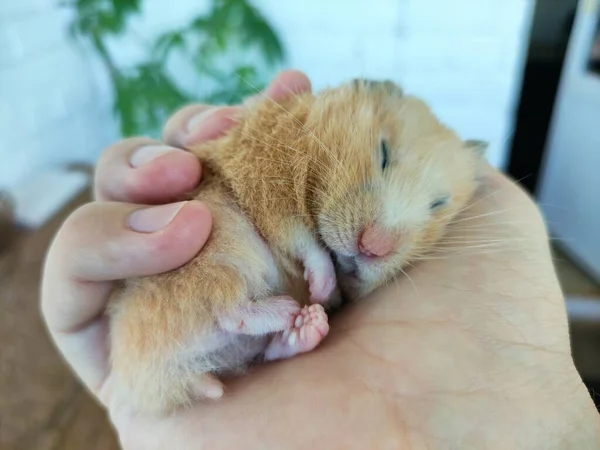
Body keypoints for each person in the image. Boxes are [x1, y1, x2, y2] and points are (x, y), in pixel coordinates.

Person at [41, 70, 600, 449]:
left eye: (435, 207)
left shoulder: (459, 213)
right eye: (381, 156)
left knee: (291, 302)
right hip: (189, 324)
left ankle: (266, 335)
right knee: (216, 227)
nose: (377, 240)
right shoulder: (285, 131)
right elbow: (260, 188)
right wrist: (310, 252)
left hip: (229, 357)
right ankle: (231, 315)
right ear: (355, 94)